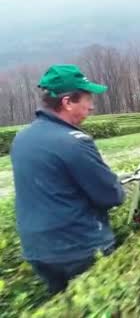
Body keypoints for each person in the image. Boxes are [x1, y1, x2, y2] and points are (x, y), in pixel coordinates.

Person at [10, 64, 125, 294]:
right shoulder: (74, 141)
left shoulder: (22, 138)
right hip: (79, 248)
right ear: (67, 102)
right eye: (87, 98)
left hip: (37, 251)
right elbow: (110, 195)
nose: (91, 106)